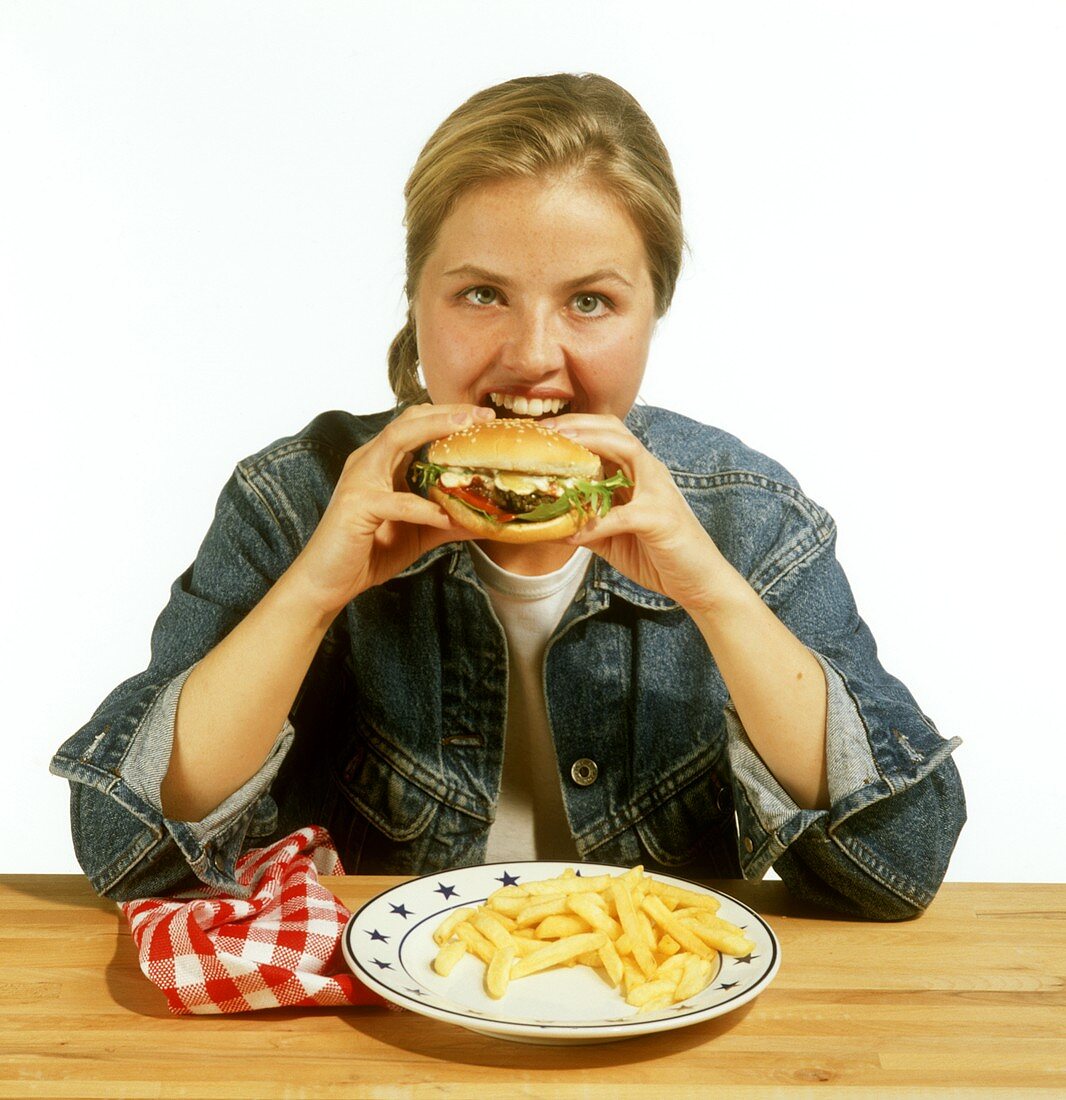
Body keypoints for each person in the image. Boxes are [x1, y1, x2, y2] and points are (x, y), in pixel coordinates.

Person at [51, 73, 964, 919]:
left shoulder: (750, 518)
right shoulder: (296, 497)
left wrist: (714, 593)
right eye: (483, 293)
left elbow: (900, 866)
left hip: (649, 1030)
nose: (532, 356)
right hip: (377, 1026)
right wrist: (315, 590)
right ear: (416, 300)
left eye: (592, 303)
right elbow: (127, 853)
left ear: (655, 312)